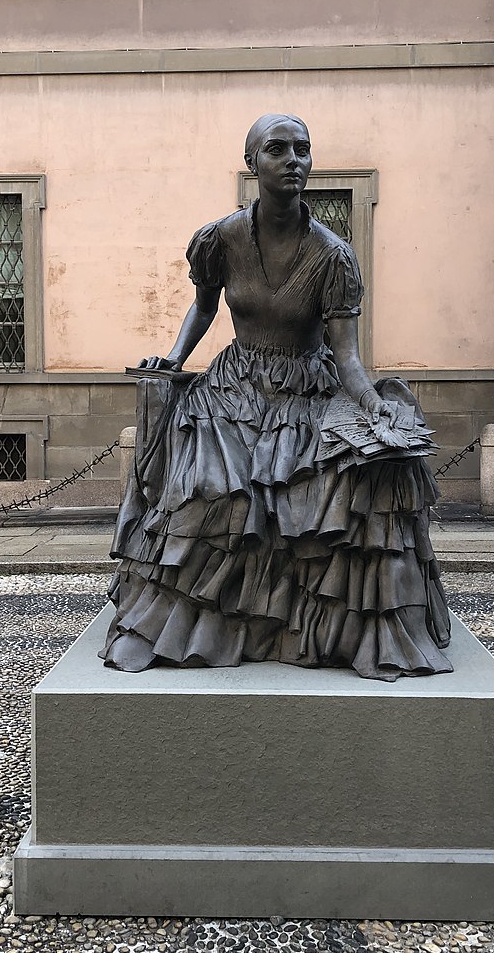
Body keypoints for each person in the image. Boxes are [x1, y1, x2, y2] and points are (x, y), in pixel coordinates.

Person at [101, 113, 452, 681]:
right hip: (234, 392)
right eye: (278, 149)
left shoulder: (333, 256)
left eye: (303, 150)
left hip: (306, 395)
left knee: (326, 496)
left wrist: (371, 403)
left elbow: (348, 357)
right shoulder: (220, 239)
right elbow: (205, 306)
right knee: (211, 494)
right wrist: (174, 359)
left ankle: (315, 628)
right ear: (253, 163)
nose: (294, 160)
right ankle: (200, 626)